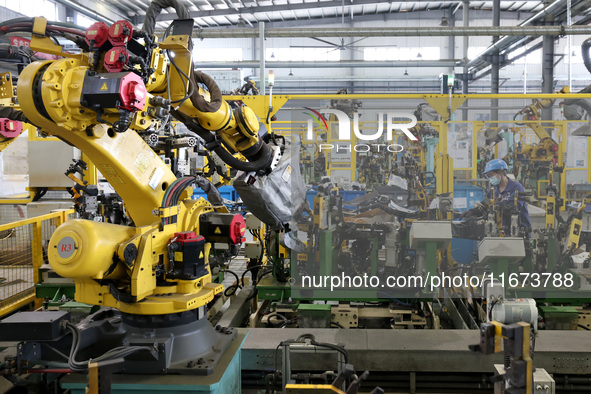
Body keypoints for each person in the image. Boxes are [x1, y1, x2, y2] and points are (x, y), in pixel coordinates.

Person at [462, 159, 532, 234]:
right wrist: (473, 212)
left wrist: (500, 205)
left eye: (490, 175)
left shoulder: (516, 187)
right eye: (487, 176)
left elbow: (514, 209)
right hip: (500, 233)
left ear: (500, 172)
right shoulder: (493, 191)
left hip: (518, 233)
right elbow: (485, 206)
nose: (489, 178)